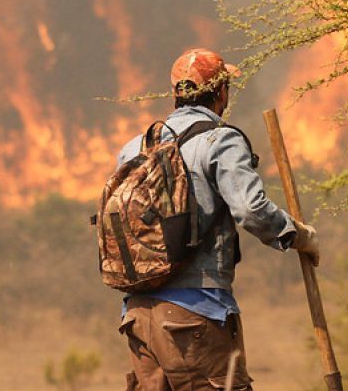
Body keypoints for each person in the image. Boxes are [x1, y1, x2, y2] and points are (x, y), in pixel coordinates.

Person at [115, 47, 320, 391]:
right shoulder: (219, 140)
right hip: (195, 317)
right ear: (221, 92)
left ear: (175, 93)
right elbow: (252, 210)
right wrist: (299, 235)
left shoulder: (134, 148)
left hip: (137, 316)